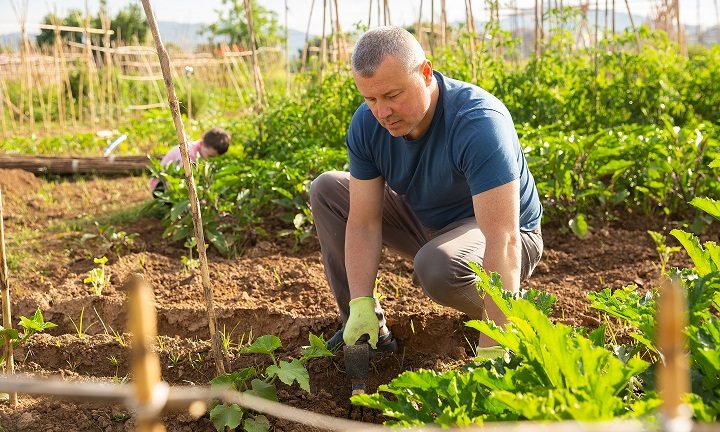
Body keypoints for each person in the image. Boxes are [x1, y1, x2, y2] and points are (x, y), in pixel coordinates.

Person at [309, 26, 543, 354]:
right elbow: (363, 223)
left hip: (501, 234)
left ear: (426, 73)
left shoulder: (478, 122)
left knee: (437, 266)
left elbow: (503, 238)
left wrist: (494, 348)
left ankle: (517, 322)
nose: (382, 112)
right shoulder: (368, 123)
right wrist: (361, 300)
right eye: (370, 98)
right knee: (327, 189)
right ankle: (365, 329)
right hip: (428, 223)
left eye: (392, 95)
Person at [149, 127, 231, 193]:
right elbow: (179, 174)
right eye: (210, 156)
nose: (208, 159)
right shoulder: (188, 153)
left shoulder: (199, 150)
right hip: (160, 186)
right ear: (202, 143)